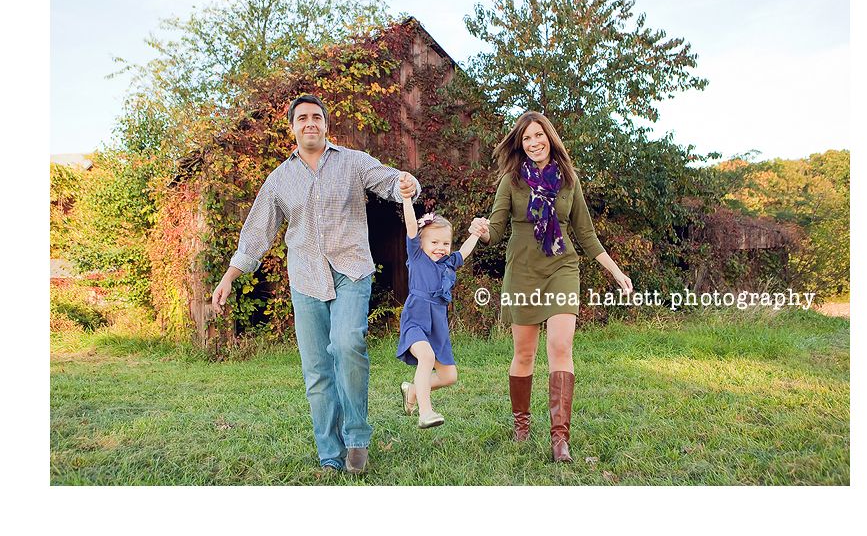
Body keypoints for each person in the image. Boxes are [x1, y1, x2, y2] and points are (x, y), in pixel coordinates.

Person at [211, 94, 420, 475]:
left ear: (326, 125)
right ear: (292, 127)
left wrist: (406, 184)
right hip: (306, 278)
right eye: (303, 118)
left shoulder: (353, 162)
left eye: (317, 117)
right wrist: (229, 277)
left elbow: (390, 180)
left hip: (351, 270)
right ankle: (330, 453)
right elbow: (257, 233)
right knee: (318, 370)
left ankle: (356, 438)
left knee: (347, 343)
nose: (310, 123)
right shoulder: (279, 179)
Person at [471, 111, 633, 463]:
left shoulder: (568, 180)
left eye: (538, 135)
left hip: (562, 267)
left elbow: (586, 234)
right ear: (521, 144)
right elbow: (495, 231)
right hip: (523, 272)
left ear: (549, 137)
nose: (534, 143)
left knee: (560, 346)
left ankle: (560, 439)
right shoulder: (512, 181)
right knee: (524, 354)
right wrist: (482, 231)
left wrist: (616, 271)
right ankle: (521, 426)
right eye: (527, 138)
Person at [395, 180, 488, 428]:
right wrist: (407, 199)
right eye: (434, 242)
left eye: (445, 243)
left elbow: (464, 252)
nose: (440, 248)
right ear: (422, 244)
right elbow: (411, 226)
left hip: (438, 324)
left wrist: (476, 233)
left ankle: (413, 390)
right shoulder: (417, 257)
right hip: (416, 318)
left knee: (449, 376)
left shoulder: (448, 263)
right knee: (425, 357)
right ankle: (425, 413)